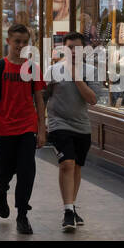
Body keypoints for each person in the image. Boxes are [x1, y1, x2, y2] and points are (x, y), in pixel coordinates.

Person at [0, 22, 47, 235]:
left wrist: (41, 130)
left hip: (27, 128)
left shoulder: (32, 68)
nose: (20, 46)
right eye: (17, 42)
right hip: (4, 128)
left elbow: (39, 100)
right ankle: (1, 190)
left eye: (24, 42)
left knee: (26, 172)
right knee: (4, 172)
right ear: (8, 41)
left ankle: (22, 214)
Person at [46, 32, 96, 230]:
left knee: (76, 167)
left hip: (82, 126)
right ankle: (68, 211)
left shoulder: (91, 71)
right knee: (66, 164)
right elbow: (43, 97)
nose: (73, 52)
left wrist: (76, 76)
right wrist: (40, 124)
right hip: (59, 124)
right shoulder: (53, 70)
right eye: (69, 48)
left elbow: (92, 99)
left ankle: (72, 206)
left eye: (77, 48)